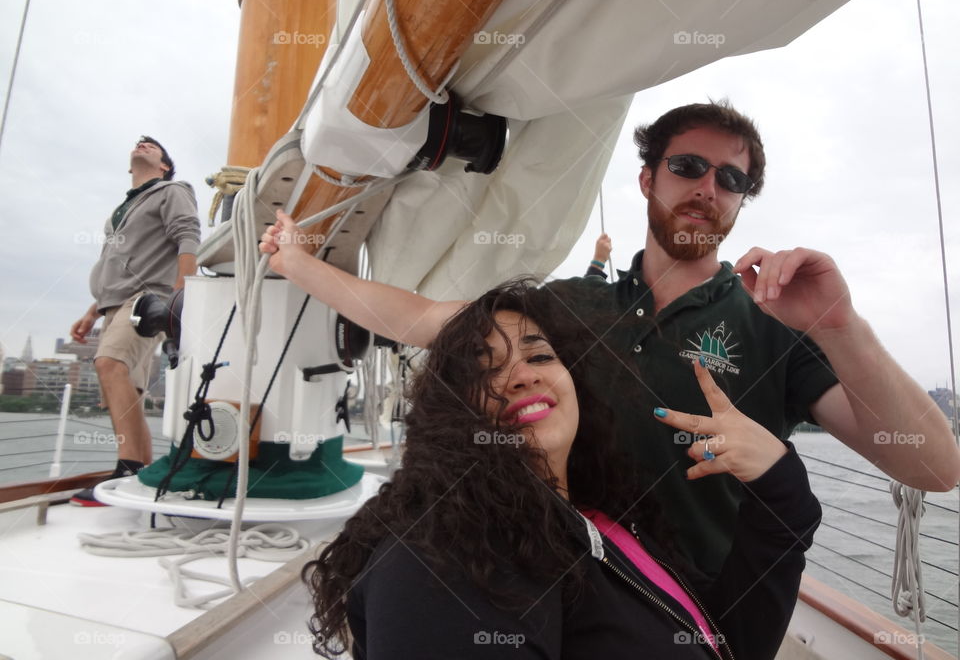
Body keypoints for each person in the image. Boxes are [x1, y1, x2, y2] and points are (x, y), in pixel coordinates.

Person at [260, 101, 960, 577]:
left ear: (742, 200)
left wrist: (842, 327)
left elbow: (933, 468)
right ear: (648, 178)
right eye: (688, 166)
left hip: (696, 622)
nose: (709, 187)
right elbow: (418, 317)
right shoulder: (568, 306)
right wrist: (295, 263)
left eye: (733, 178)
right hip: (565, 593)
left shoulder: (776, 325)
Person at [303, 281, 821, 660]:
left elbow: (730, 644)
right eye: (485, 370)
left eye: (540, 356)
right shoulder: (445, 558)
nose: (522, 377)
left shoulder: (603, 526)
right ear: (448, 414)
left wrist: (777, 484)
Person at [69, 136, 200, 506]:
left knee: (109, 363)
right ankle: (140, 474)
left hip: (149, 298)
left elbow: (188, 236)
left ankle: (125, 468)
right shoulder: (120, 212)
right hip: (113, 304)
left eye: (152, 145)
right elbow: (115, 266)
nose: (142, 144)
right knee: (129, 389)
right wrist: (91, 312)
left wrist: (180, 295)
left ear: (164, 166)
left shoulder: (172, 190)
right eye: (138, 143)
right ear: (130, 166)